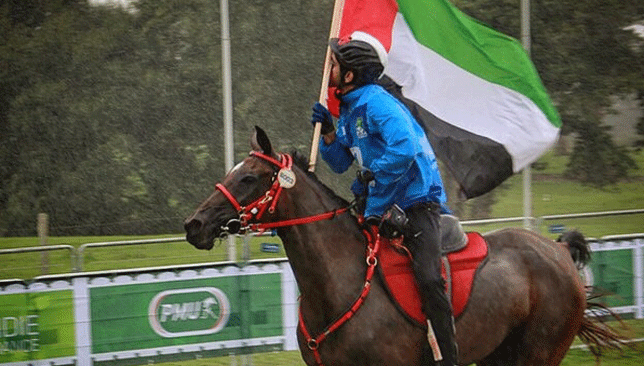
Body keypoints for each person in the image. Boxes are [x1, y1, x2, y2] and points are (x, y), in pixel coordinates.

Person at [309, 31, 457, 366]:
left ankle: (448, 357)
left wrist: (372, 175)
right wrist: (330, 134)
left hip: (417, 203)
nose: (327, 67)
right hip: (380, 203)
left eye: (334, 63)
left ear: (349, 75)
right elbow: (342, 163)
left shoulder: (376, 103)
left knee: (430, 279)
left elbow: (403, 149)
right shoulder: (349, 109)